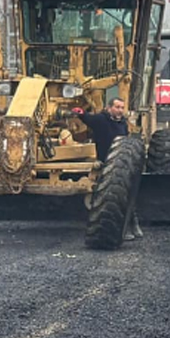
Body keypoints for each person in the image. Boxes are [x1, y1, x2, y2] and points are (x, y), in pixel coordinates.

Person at [72, 97, 143, 240]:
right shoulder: (101, 120)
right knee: (113, 198)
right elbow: (88, 119)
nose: (120, 110)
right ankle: (122, 231)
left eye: (122, 107)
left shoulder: (123, 123)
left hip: (123, 165)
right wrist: (80, 113)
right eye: (117, 107)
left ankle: (134, 225)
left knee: (127, 195)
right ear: (109, 108)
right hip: (107, 164)